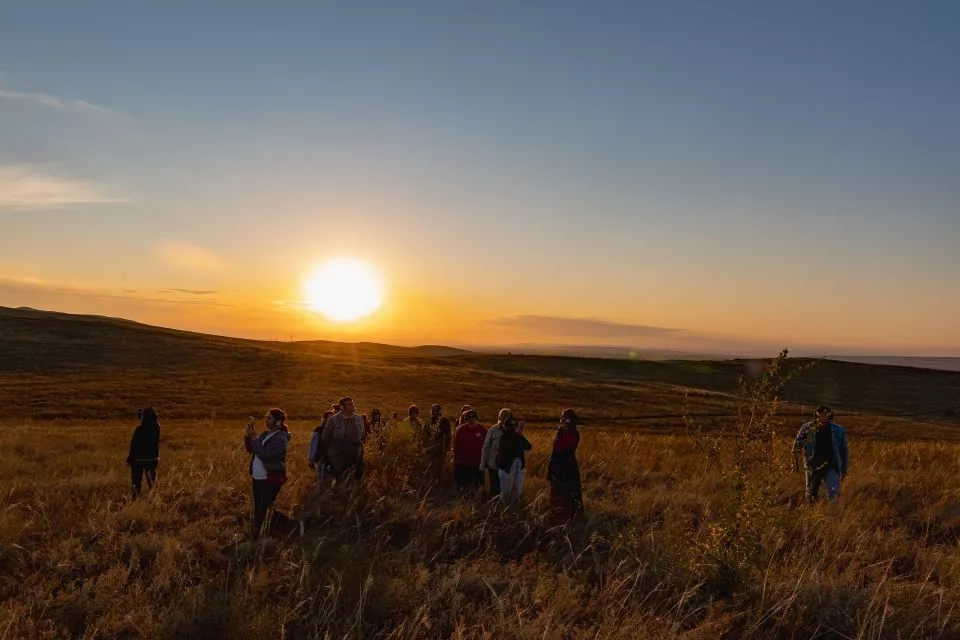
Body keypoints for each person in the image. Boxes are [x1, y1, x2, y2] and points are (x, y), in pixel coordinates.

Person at [244, 409, 291, 540]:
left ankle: (261, 533)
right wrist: (248, 437)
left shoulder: (281, 438)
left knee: (264, 507)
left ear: (278, 422)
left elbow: (265, 455)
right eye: (266, 418)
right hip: (258, 477)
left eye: (269, 418)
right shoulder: (265, 434)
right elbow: (252, 449)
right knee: (260, 507)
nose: (266, 420)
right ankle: (265, 530)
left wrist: (254, 439)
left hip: (270, 478)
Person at [793, 405, 849, 503]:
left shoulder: (838, 430)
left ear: (830, 417)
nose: (822, 419)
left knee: (833, 492)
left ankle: (833, 515)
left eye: (825, 416)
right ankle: (810, 514)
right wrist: (795, 463)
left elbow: (843, 450)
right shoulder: (807, 428)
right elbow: (797, 445)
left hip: (832, 465)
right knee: (811, 493)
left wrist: (844, 468)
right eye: (819, 417)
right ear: (816, 416)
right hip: (812, 465)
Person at [547, 408, 583, 523]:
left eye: (564, 419)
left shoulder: (571, 434)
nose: (562, 421)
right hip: (560, 467)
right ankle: (557, 517)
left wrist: (560, 433)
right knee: (557, 494)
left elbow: (560, 447)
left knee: (565, 494)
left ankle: (565, 519)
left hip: (566, 469)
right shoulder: (565, 432)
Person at [321, 397, 366, 485]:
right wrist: (332, 449)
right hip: (339, 452)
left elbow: (362, 434)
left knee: (357, 474)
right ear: (342, 407)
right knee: (340, 476)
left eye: (352, 404)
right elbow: (325, 437)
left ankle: (353, 493)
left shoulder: (359, 419)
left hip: (355, 450)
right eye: (349, 404)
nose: (353, 406)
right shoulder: (333, 420)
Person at [497, 416, 532, 507]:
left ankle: (514, 510)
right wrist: (518, 434)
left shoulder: (518, 436)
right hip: (507, 466)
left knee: (517, 490)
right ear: (506, 426)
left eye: (515, 426)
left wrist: (520, 435)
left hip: (519, 465)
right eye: (511, 426)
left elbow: (528, 446)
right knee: (506, 492)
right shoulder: (503, 436)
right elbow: (508, 446)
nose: (513, 428)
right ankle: (502, 510)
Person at [127, 407, 160, 500]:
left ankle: (135, 500)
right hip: (152, 459)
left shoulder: (139, 430)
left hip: (138, 460)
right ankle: (154, 500)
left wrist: (130, 457)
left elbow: (134, 445)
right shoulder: (157, 427)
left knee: (136, 484)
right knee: (152, 483)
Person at [480, 409, 511, 499]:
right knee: (494, 488)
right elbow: (485, 448)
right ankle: (492, 506)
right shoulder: (492, 430)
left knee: (506, 488)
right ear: (499, 417)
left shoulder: (512, 431)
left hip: (507, 465)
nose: (503, 418)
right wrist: (482, 465)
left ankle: (503, 507)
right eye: (502, 416)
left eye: (506, 416)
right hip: (493, 465)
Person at [453, 409, 487, 491]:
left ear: (476, 417)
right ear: (466, 418)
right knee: (466, 482)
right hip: (465, 461)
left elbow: (487, 445)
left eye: (473, 416)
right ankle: (467, 498)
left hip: (478, 460)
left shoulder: (482, 429)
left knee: (478, 482)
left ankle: (478, 498)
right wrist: (457, 459)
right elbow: (457, 445)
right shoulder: (461, 430)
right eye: (469, 417)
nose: (471, 418)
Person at [423, 405, 452, 485]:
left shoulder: (444, 421)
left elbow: (448, 435)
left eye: (434, 410)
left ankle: (439, 484)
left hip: (441, 449)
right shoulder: (428, 421)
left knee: (440, 468)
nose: (432, 412)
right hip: (430, 449)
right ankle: (430, 483)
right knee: (430, 467)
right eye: (431, 410)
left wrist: (447, 448)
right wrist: (425, 446)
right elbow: (424, 434)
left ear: (439, 411)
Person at [308, 410, 335, 487]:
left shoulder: (336, 430)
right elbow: (313, 445)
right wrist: (311, 459)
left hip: (333, 459)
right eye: (329, 418)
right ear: (324, 419)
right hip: (321, 458)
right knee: (321, 480)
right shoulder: (319, 430)